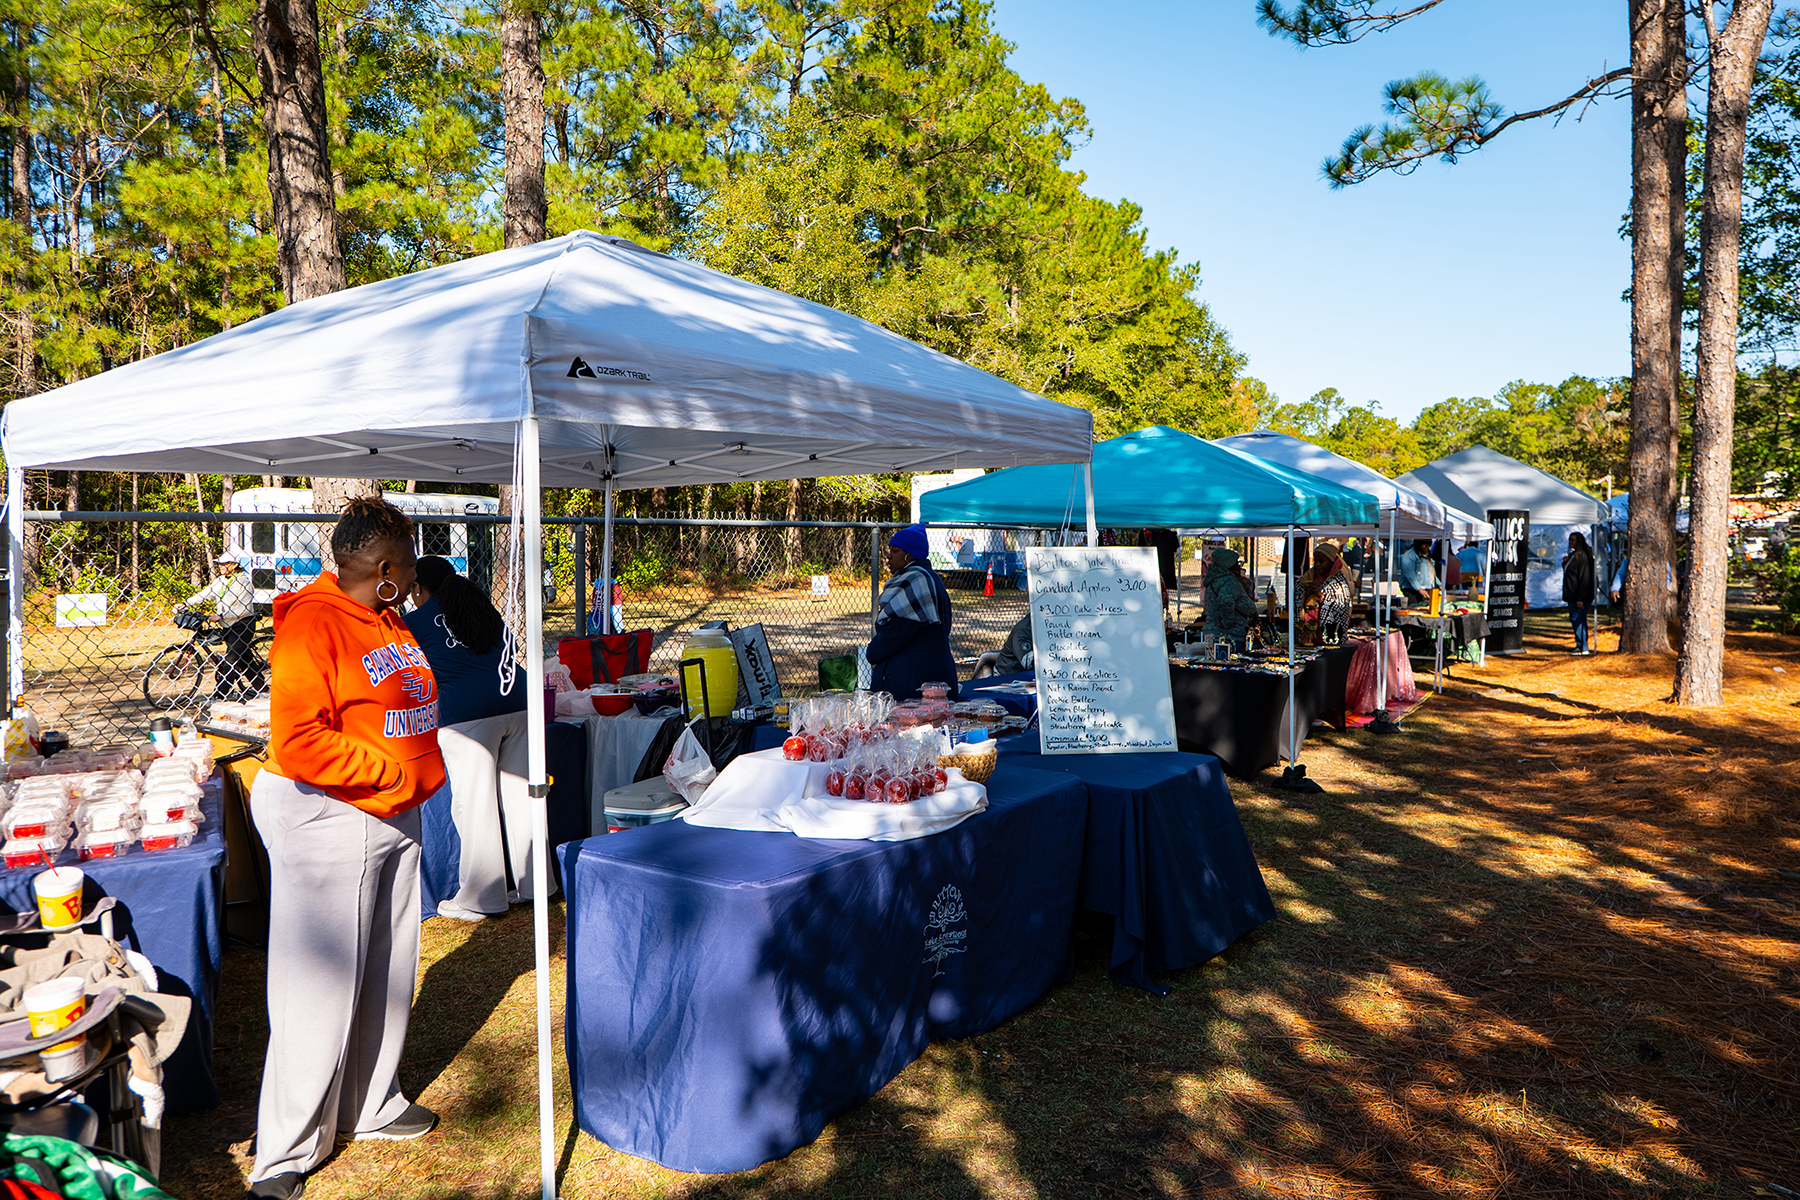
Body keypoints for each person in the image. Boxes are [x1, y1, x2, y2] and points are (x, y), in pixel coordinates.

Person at [247, 498, 447, 1200]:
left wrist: (408, 781)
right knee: (317, 986)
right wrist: (390, 774)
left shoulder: (385, 614)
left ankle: (370, 1102)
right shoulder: (313, 623)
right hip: (332, 816)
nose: (418, 570)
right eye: (411, 560)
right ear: (386, 567)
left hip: (392, 813)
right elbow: (301, 740)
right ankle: (286, 1151)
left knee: (388, 967)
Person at [404, 555, 533, 922]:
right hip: (519, 700)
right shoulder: (480, 608)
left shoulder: (414, 621)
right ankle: (535, 885)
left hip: (467, 715)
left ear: (419, 588)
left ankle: (482, 898)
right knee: (524, 797)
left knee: (476, 804)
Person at [866, 524, 959, 702]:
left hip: (915, 685)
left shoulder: (915, 581)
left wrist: (873, 651)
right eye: (889, 551)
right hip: (929, 677)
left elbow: (897, 633)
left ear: (910, 556)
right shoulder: (930, 578)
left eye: (895, 551)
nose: (889, 556)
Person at [179, 554, 264, 700]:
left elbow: (243, 609)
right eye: (220, 564)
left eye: (225, 564)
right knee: (245, 661)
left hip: (243, 624)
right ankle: (264, 689)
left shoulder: (244, 582)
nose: (221, 566)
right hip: (228, 626)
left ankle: (219, 695)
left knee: (231, 662)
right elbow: (205, 594)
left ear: (234, 565)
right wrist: (185, 603)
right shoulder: (221, 581)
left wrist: (221, 616)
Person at [1201, 546, 1258, 651]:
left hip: (1215, 634)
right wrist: (1227, 623)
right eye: (1236, 563)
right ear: (1228, 565)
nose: (1238, 566)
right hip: (1229, 637)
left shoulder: (1215, 579)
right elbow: (1225, 600)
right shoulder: (1229, 581)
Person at [1299, 541, 1355, 646]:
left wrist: (1320, 595)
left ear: (1331, 563)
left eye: (1322, 561)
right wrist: (1307, 594)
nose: (1317, 565)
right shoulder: (1308, 577)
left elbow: (1340, 607)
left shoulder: (1339, 582)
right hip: (1309, 634)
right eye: (1316, 561)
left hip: (1329, 636)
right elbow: (1297, 599)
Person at [1563, 531, 1596, 655]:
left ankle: (1583, 647)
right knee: (1575, 619)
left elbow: (1584, 578)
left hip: (1580, 595)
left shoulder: (1583, 557)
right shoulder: (1573, 556)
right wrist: (1565, 563)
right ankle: (1580, 645)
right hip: (1572, 594)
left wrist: (1580, 598)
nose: (1570, 542)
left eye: (1573, 540)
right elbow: (1570, 571)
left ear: (1579, 541)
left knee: (1579, 619)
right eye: (1569, 540)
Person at [1398, 539, 1437, 604]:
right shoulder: (1409, 555)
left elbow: (1431, 571)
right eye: (1426, 546)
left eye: (1429, 546)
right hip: (1411, 589)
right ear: (1419, 544)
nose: (1427, 548)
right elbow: (1409, 574)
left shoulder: (1427, 554)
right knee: (1415, 607)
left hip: (1426, 587)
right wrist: (1419, 588)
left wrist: (1438, 584)